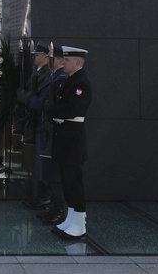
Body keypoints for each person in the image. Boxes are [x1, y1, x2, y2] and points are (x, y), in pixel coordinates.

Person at [49, 46, 92, 240]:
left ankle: (79, 224)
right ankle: (72, 220)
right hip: (65, 137)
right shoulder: (71, 81)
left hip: (72, 139)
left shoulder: (80, 83)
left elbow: (71, 109)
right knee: (67, 182)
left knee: (74, 182)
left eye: (66, 61)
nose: (62, 63)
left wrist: (51, 109)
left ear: (76, 62)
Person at [24, 44, 66, 216]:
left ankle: (51, 203)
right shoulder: (54, 76)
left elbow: (45, 103)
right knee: (42, 166)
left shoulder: (58, 78)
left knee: (48, 168)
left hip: (50, 128)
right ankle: (46, 199)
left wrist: (32, 99)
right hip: (43, 127)